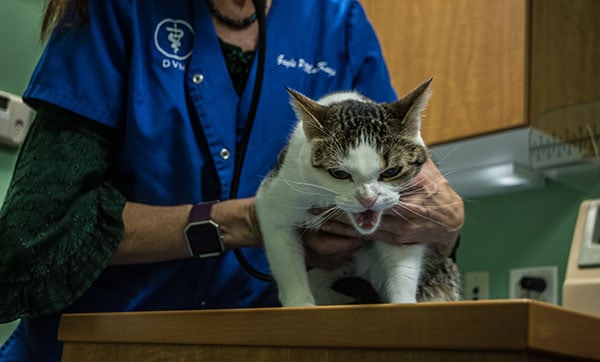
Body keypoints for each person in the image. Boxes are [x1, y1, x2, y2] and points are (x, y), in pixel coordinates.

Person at [0, 0, 464, 360]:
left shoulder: (336, 19)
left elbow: (394, 175)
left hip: (261, 343)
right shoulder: (116, 10)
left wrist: (445, 225)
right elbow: (39, 234)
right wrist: (248, 221)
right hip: (101, 343)